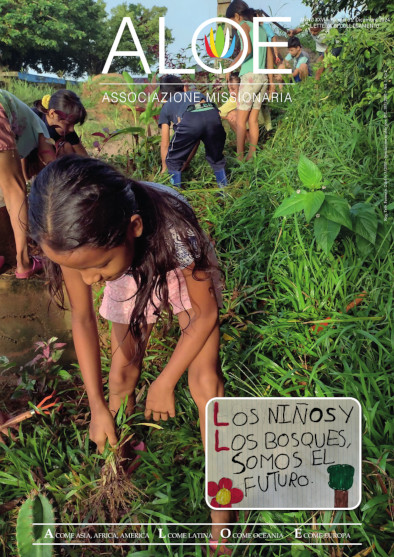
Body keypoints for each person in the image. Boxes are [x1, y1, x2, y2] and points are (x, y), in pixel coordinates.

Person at [28, 154, 233, 555]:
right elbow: (84, 321)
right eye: (77, 270)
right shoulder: (72, 241)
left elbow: (205, 312)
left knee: (204, 383)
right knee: (121, 377)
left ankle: (222, 519)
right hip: (126, 273)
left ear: (132, 227)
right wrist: (97, 405)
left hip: (175, 264)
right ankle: (117, 472)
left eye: (95, 267)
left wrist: (166, 380)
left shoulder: (173, 228)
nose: (88, 280)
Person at [0, 89, 56, 278]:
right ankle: (24, 263)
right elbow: (51, 170)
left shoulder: (23, 125)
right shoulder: (42, 129)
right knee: (14, 190)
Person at [225, 0, 275, 161]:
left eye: (231, 21)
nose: (232, 26)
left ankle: (240, 157)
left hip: (250, 77)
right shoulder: (261, 29)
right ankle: (251, 157)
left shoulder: (244, 25)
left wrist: (232, 65)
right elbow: (269, 57)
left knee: (241, 120)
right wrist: (271, 82)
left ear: (237, 16)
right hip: (262, 78)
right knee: (253, 119)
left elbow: (247, 50)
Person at [159, 75, 227, 188]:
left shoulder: (167, 106)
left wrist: (164, 168)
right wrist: (186, 162)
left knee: (172, 161)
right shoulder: (195, 94)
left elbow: (165, 143)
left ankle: (175, 195)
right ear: (184, 89)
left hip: (190, 117)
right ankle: (225, 190)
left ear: (164, 97)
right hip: (212, 115)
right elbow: (195, 139)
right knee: (216, 159)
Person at [32, 89, 88, 157]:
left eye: (74, 124)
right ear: (52, 114)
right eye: (68, 124)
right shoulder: (32, 119)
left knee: (67, 147)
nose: (72, 130)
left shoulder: (67, 130)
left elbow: (84, 156)